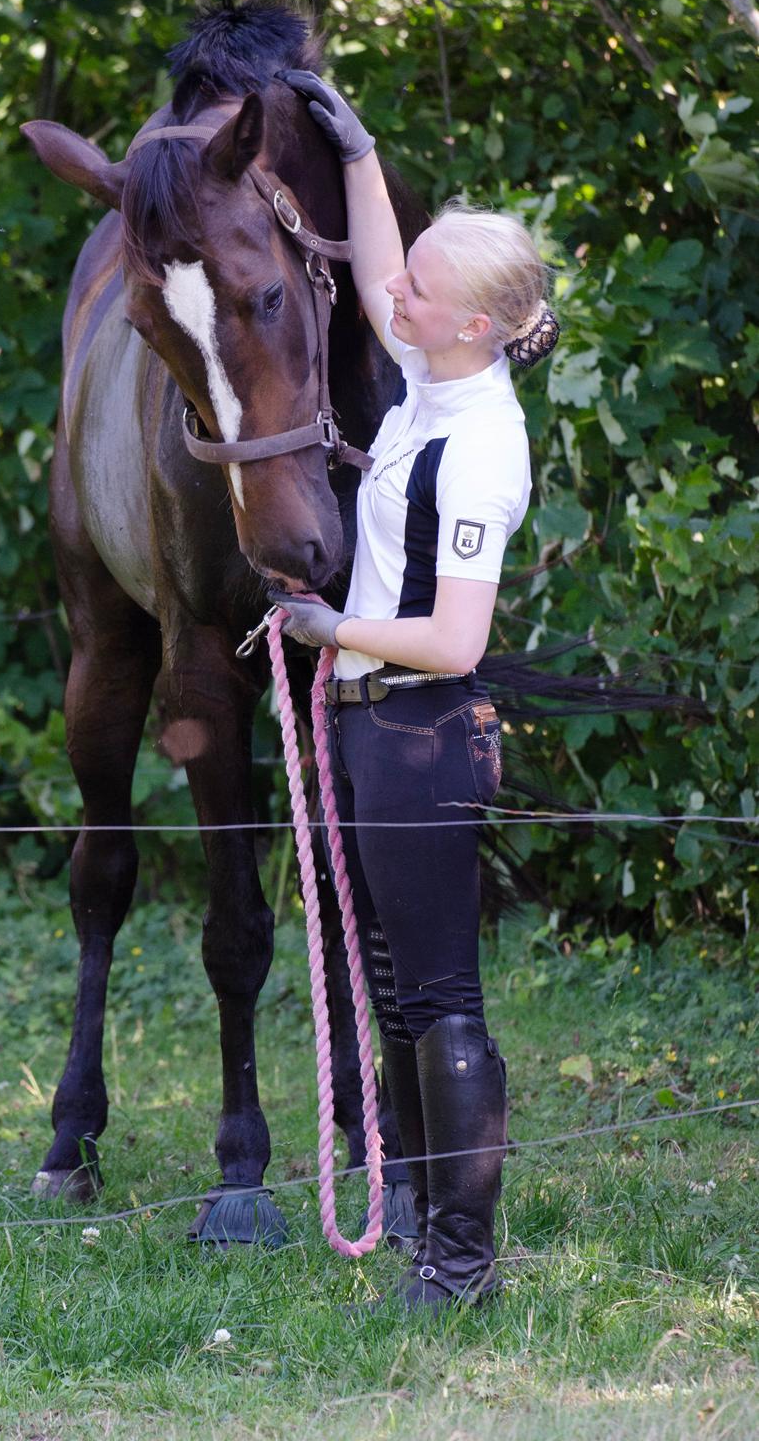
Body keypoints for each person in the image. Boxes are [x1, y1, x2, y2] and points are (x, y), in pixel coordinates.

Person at [274, 69, 560, 1313]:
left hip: (420, 726)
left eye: (420, 290)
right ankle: (422, 1213)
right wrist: (360, 153)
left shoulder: (478, 443)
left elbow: (453, 638)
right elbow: (388, 266)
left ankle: (463, 1260)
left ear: (474, 326)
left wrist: (332, 624)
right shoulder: (430, 378)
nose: (392, 291)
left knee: (438, 989)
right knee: (395, 981)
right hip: (369, 721)